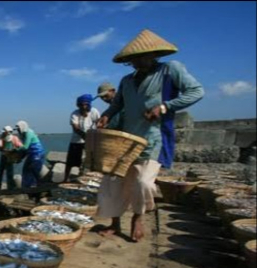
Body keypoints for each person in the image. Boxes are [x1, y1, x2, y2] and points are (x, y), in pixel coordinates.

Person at [96, 29, 204, 242]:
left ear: (153, 54)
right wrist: (107, 115)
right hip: (125, 141)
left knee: (143, 182)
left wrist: (164, 107)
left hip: (152, 138)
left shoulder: (170, 70)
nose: (136, 63)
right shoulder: (127, 80)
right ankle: (115, 223)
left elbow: (196, 91)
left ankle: (138, 216)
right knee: (113, 183)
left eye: (140, 58)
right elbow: (118, 104)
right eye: (132, 60)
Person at [65, 94, 100, 182]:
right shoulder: (74, 113)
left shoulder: (94, 111)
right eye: (81, 105)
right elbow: (75, 128)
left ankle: (91, 179)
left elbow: (99, 124)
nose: (84, 107)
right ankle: (65, 179)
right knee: (71, 161)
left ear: (89, 104)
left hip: (92, 140)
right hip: (76, 141)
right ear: (78, 105)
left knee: (91, 161)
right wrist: (85, 136)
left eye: (86, 104)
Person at [15, 120, 46, 188]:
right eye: (17, 129)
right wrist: (19, 158)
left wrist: (16, 150)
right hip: (31, 154)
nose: (18, 131)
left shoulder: (29, 133)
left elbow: (25, 147)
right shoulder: (22, 135)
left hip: (37, 153)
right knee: (25, 170)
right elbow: (25, 150)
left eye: (19, 129)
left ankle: (37, 186)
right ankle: (26, 186)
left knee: (34, 170)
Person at [0, 125, 23, 190]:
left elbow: (21, 146)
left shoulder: (14, 138)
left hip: (10, 157)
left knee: (9, 173)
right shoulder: (2, 138)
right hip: (4, 156)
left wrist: (15, 151)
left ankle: (10, 187)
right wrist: (3, 149)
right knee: (0, 172)